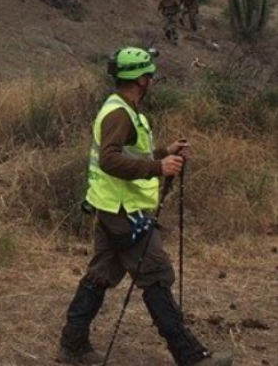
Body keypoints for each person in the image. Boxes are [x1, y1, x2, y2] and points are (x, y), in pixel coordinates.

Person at [57, 47, 233, 366]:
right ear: (141, 78)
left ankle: (72, 345)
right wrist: (158, 168)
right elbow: (110, 159)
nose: (151, 80)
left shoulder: (126, 108)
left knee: (100, 274)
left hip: (114, 207)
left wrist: (165, 152)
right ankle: (191, 357)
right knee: (156, 275)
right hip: (125, 212)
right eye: (149, 75)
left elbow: (131, 155)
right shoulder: (119, 113)